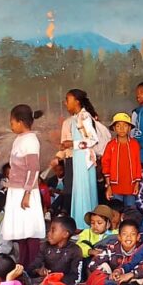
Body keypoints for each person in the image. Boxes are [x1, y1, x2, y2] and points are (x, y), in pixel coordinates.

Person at [0, 105, 46, 268]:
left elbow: (33, 169)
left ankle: (32, 263)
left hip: (25, 190)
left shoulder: (31, 140)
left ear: (20, 122)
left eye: (12, 122)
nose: (11, 125)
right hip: (16, 189)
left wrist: (27, 193)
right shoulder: (19, 139)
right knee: (20, 229)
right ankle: (23, 262)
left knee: (30, 229)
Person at [59, 89, 100, 231]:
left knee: (83, 191)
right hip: (78, 158)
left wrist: (73, 144)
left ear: (77, 101)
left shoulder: (84, 116)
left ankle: (84, 225)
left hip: (84, 159)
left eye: (68, 99)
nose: (65, 103)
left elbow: (94, 139)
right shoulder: (77, 117)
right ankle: (80, 223)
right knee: (79, 190)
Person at [102, 113, 143, 210]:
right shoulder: (111, 145)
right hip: (115, 186)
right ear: (114, 129)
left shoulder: (134, 144)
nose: (121, 128)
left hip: (131, 186)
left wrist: (137, 184)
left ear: (129, 128)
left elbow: (138, 164)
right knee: (116, 211)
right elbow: (105, 165)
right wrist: (108, 186)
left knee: (130, 211)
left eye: (125, 125)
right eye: (118, 126)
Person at [29, 215, 83, 285]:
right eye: (49, 230)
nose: (48, 233)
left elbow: (76, 277)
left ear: (65, 234)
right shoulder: (45, 246)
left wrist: (55, 280)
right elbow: (32, 268)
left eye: (53, 230)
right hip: (46, 282)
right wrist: (38, 271)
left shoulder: (75, 250)